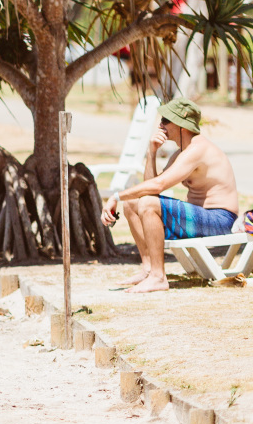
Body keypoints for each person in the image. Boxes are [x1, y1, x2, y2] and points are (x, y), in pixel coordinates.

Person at [102, 96, 240, 293]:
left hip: (219, 220)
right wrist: (151, 152)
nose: (160, 125)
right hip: (199, 219)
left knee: (147, 203)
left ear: (182, 125)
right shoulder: (181, 153)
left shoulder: (198, 149)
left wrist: (115, 197)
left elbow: (158, 186)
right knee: (132, 203)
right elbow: (151, 187)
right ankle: (149, 269)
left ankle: (159, 277)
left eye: (166, 120)